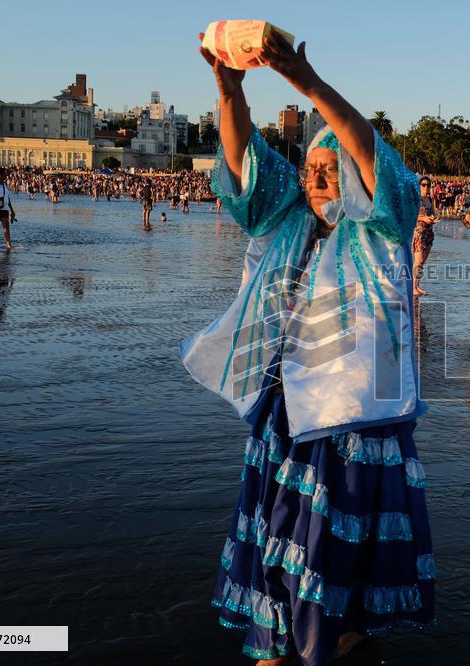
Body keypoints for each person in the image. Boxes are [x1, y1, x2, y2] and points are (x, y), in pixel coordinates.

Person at [183, 29, 434, 666]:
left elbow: (369, 149)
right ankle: (282, 642)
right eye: (310, 170)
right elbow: (244, 165)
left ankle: (333, 640)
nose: (317, 179)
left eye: (330, 170)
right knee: (277, 541)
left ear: (352, 173)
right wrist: (230, 93)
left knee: (326, 550)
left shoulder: (381, 225)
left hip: (352, 420)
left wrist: (309, 86)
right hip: (286, 411)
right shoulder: (288, 218)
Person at [412, 176, 439, 296]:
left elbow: (434, 213)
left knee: (422, 262)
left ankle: (417, 286)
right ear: (419, 186)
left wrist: (433, 218)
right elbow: (410, 215)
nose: (426, 187)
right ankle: (413, 288)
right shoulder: (415, 199)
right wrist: (423, 218)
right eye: (423, 185)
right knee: (418, 261)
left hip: (429, 232)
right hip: (419, 233)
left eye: (428, 185)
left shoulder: (429, 199)